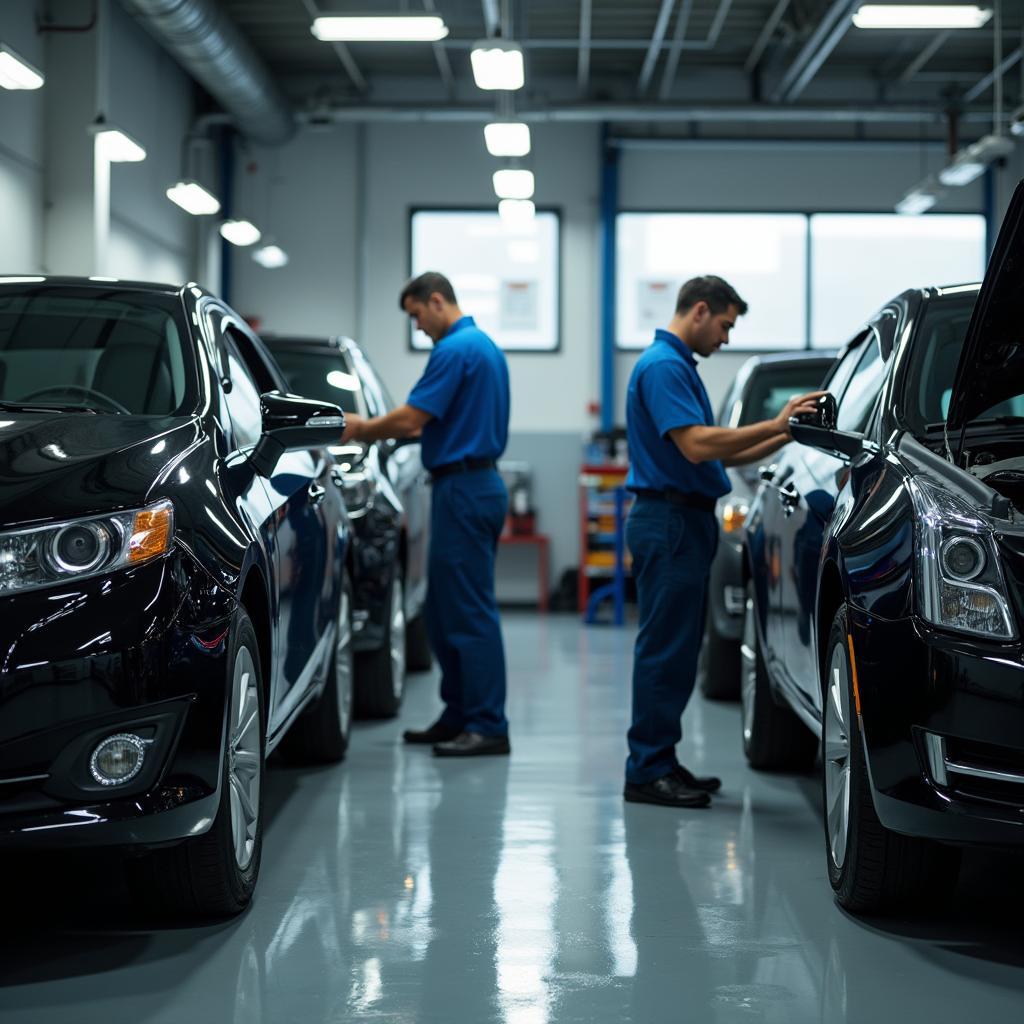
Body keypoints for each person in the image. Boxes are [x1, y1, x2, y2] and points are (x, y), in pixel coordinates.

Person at [622, 275, 823, 807]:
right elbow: (695, 445)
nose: (727, 338)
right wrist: (775, 423)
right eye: (726, 325)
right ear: (701, 310)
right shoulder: (665, 367)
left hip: (680, 520)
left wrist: (784, 433)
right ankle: (646, 770)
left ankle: (660, 761)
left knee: (679, 650)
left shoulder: (676, 366)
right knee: (665, 651)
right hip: (669, 522)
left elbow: (718, 453)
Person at [340, 271, 511, 757]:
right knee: (445, 609)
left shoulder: (456, 350)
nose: (419, 327)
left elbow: (414, 416)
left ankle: (487, 723)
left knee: (470, 611)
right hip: (468, 485)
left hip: (466, 488)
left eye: (417, 316)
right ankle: (459, 714)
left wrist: (362, 428)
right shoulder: (483, 348)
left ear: (436, 301)